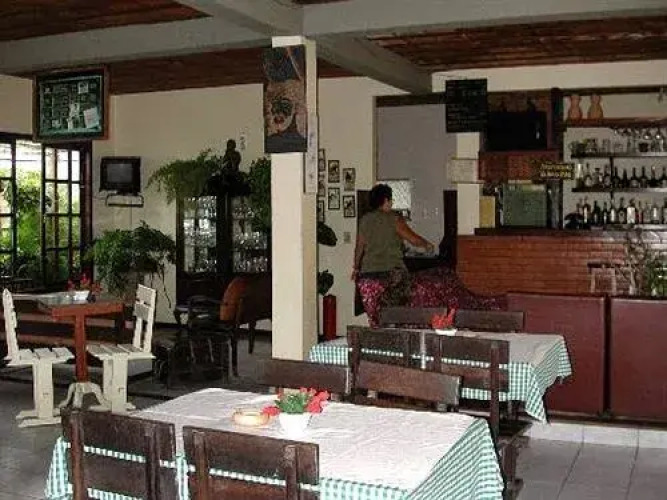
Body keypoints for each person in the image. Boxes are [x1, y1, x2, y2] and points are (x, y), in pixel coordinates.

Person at [352, 184, 434, 307]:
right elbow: (413, 239)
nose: (392, 203)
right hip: (391, 273)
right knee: (398, 308)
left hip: (368, 274)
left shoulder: (365, 220)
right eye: (391, 200)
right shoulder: (394, 219)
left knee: (375, 310)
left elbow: (359, 248)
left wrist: (356, 268)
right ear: (386, 200)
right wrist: (427, 244)